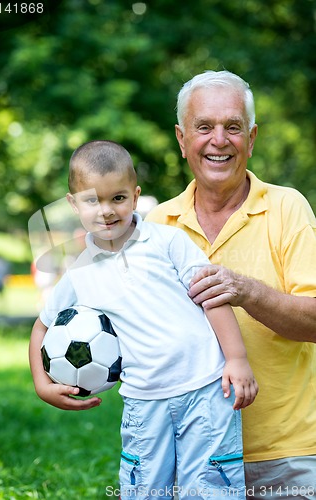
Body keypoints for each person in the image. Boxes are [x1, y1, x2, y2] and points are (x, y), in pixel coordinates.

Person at [29, 140, 258, 499]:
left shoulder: (168, 242)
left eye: (117, 198)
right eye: (92, 200)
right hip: (143, 401)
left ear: (135, 196)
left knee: (212, 489)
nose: (106, 211)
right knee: (145, 490)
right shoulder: (78, 274)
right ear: (74, 203)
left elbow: (213, 299)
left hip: (207, 389)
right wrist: (43, 384)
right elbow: (42, 326)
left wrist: (237, 359)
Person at [146, 70, 316, 499]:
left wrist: (247, 291)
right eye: (204, 127)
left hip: (284, 456)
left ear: (251, 138)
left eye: (232, 127)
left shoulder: (287, 208)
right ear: (182, 140)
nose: (218, 140)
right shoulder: (154, 225)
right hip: (185, 455)